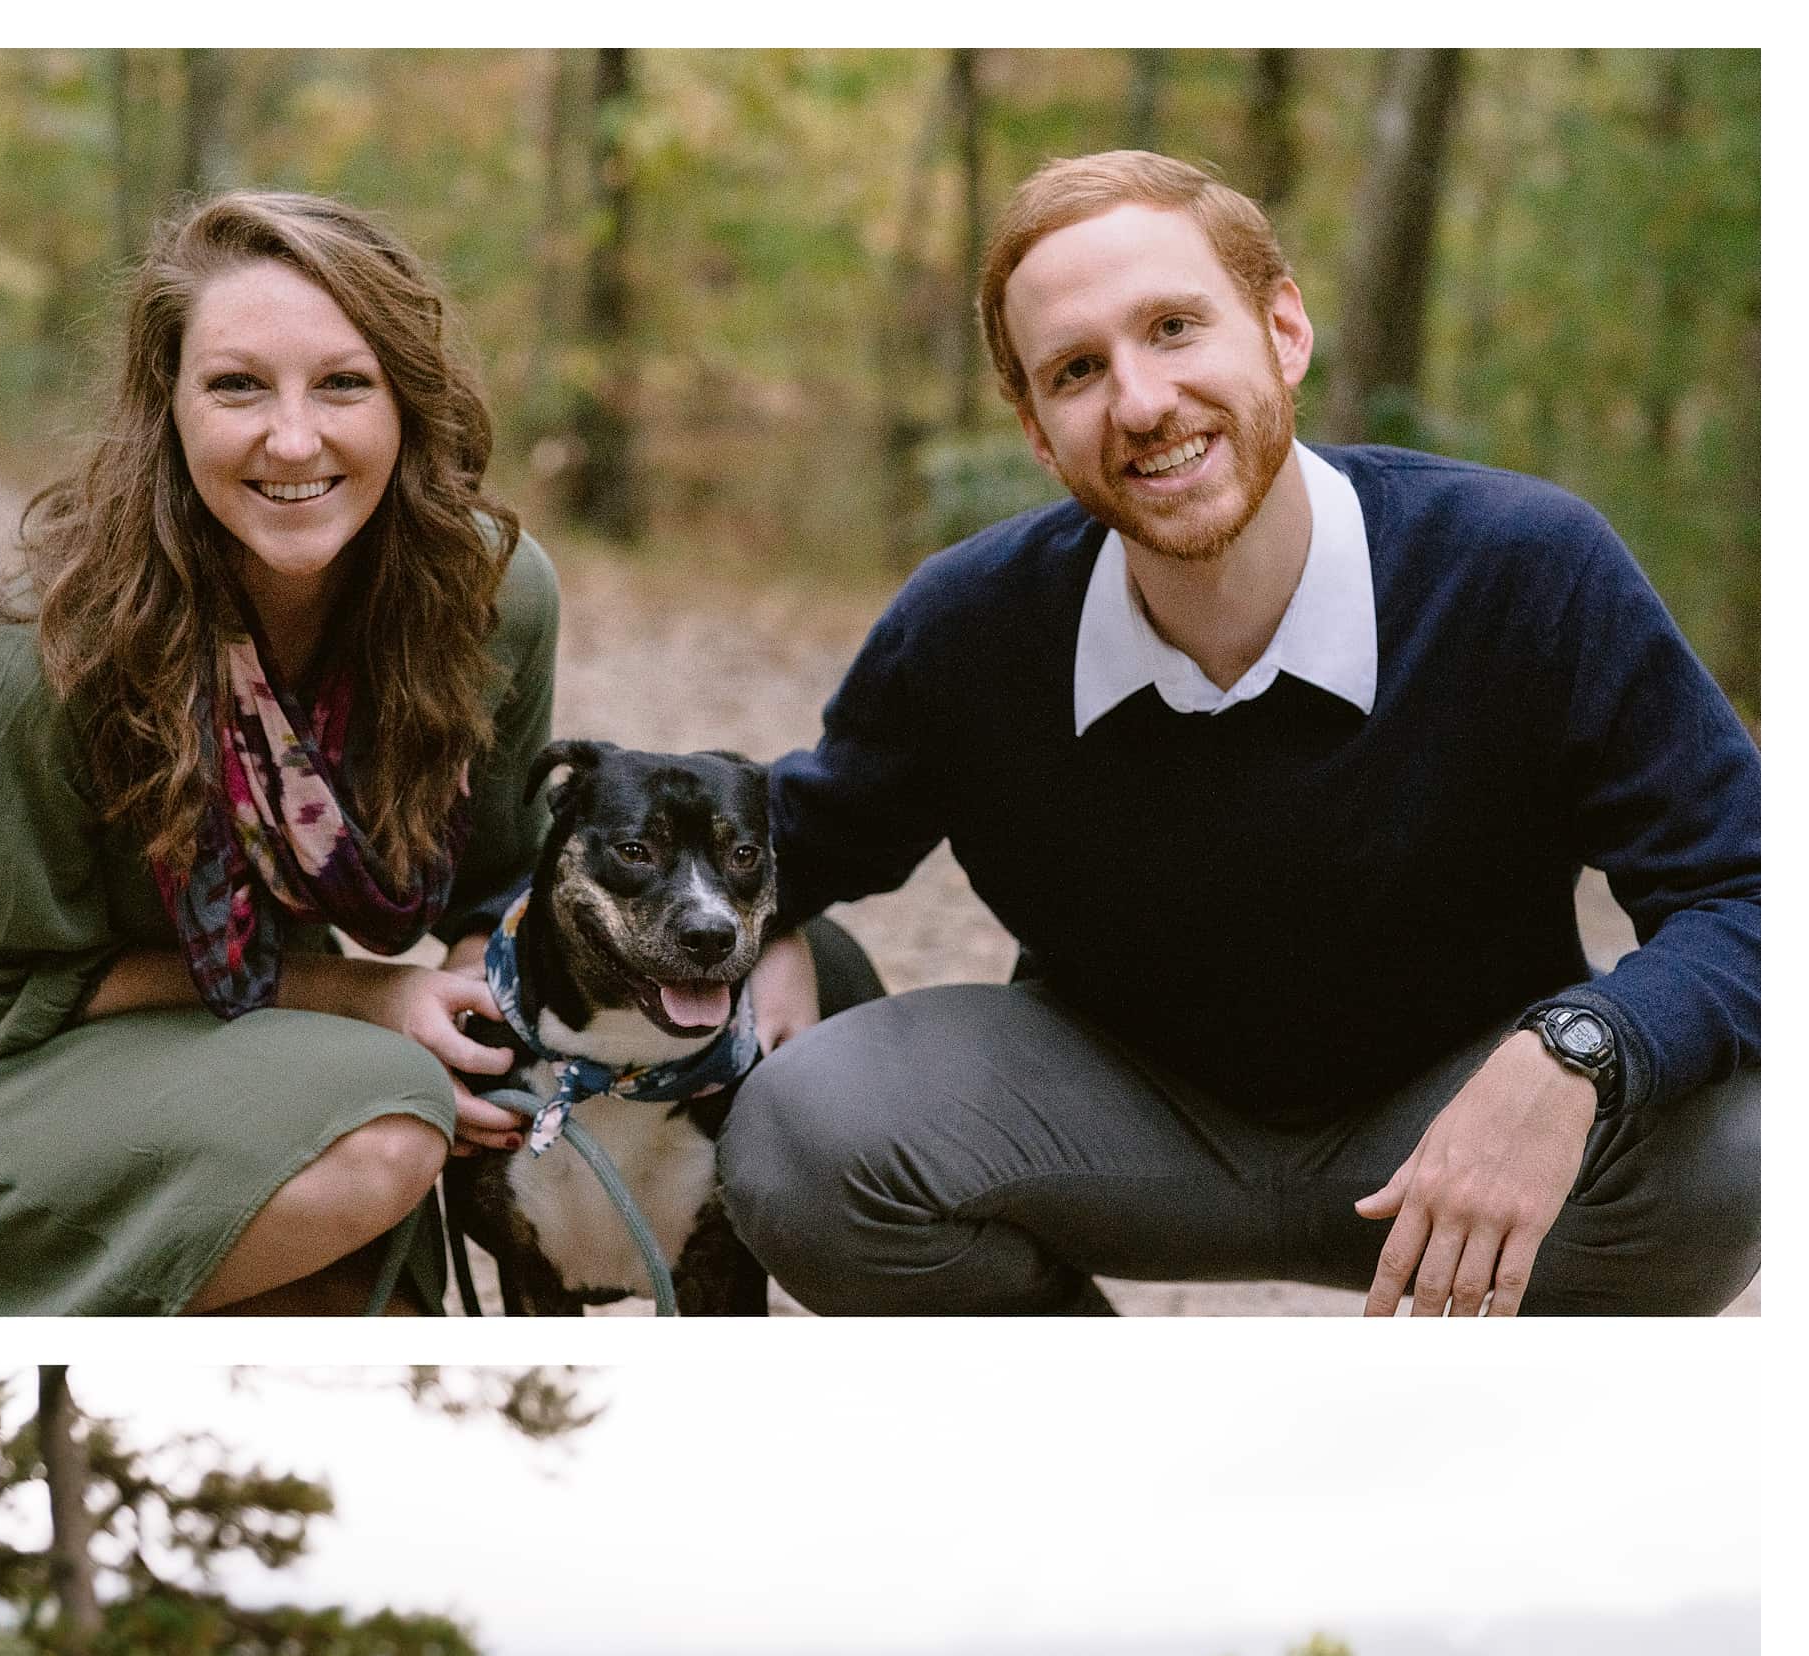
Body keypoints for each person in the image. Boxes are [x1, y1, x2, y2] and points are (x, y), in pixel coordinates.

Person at [721, 150, 1760, 1316]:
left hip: (1454, 1126)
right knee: (796, 1133)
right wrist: (755, 918)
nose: (1140, 402)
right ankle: (1112, 1444)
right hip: (1114, 1123)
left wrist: (1578, 1048)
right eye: (1075, 370)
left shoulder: (1523, 570)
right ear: (1034, 428)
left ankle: (1471, 1440)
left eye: (1172, 327)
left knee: (1739, 1140)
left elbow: (1751, 892)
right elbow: (786, 835)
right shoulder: (970, 626)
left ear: (1282, 330)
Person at [0, 189, 555, 1315]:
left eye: (343, 382)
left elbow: (497, 877)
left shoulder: (491, 594)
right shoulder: (43, 657)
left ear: (408, 404)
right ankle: (17, 1303)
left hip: (248, 1035)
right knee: (385, 1125)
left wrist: (476, 1008)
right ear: (166, 409)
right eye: (237, 385)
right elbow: (22, 990)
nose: (292, 439)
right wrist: (366, 996)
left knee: (367, 1258)